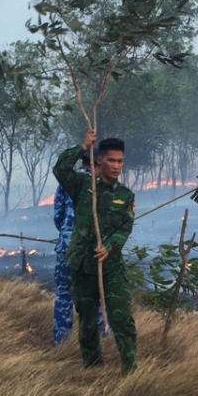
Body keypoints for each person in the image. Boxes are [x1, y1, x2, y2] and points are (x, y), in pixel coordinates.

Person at [53, 129, 136, 373]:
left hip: (111, 266)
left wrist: (109, 246)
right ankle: (92, 367)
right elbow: (60, 170)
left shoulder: (125, 195)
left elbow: (124, 227)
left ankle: (130, 369)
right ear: (99, 160)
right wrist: (81, 147)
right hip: (82, 264)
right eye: (111, 160)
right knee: (87, 321)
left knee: (122, 317)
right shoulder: (82, 185)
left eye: (120, 161)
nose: (116, 166)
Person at [52, 150, 95, 345]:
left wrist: (67, 233)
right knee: (95, 295)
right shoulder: (102, 184)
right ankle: (100, 340)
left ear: (82, 163)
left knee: (63, 294)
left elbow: (58, 217)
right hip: (92, 249)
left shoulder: (66, 182)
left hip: (66, 246)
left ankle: (61, 342)